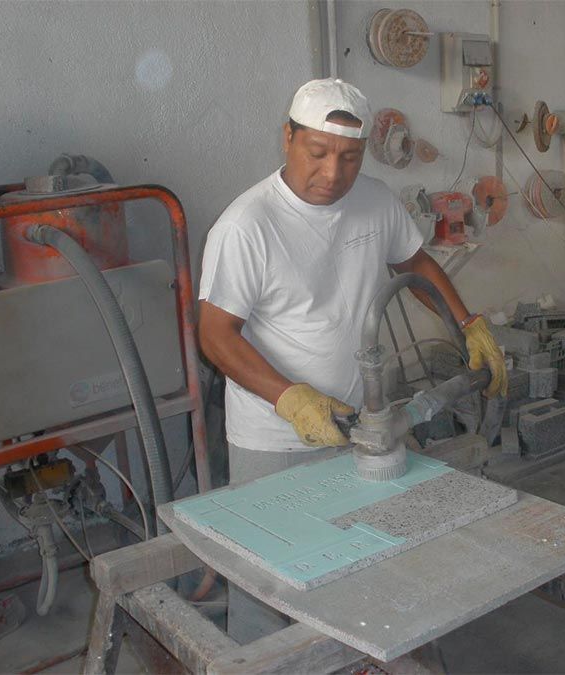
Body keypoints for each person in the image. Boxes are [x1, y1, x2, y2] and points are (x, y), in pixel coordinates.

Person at [197, 77, 507, 643]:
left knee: (358, 564)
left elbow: (414, 264)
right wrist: (290, 398)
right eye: (317, 152)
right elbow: (216, 335)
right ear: (288, 137)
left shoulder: (375, 201)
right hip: (274, 435)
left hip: (358, 422)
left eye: (349, 157)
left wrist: (468, 323)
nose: (332, 173)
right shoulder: (246, 225)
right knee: (267, 583)